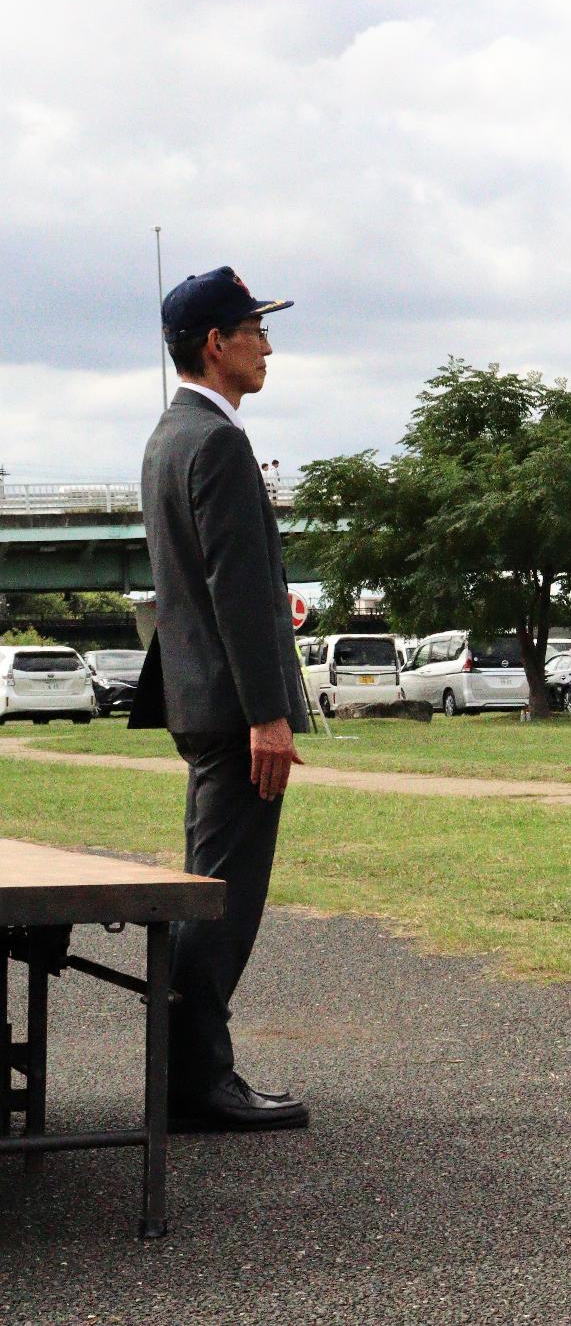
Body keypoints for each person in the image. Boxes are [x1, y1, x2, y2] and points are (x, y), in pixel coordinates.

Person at [132, 265, 310, 1131]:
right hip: (236, 712)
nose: (267, 344)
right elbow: (238, 590)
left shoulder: (170, 435)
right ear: (216, 343)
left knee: (213, 884)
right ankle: (198, 1078)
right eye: (254, 329)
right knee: (223, 895)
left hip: (200, 701)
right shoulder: (219, 442)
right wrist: (269, 714)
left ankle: (190, 1071)